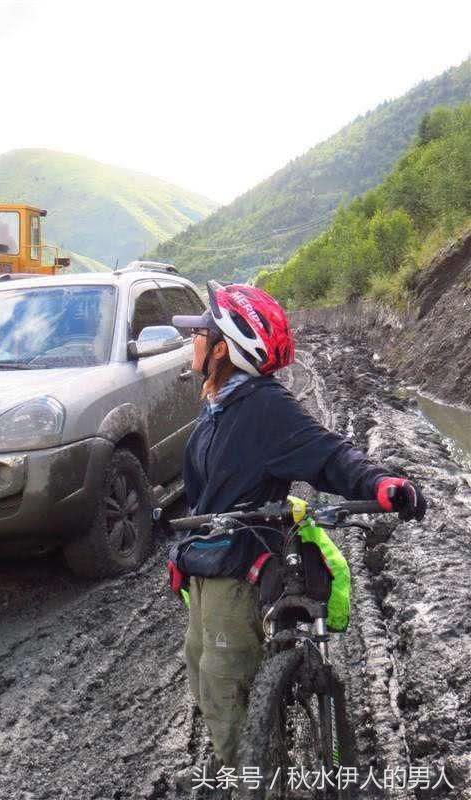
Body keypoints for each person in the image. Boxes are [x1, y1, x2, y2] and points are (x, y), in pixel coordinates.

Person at [169, 281, 427, 791]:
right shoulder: (217, 405)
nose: (192, 341)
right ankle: (251, 768)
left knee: (226, 694)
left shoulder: (266, 408)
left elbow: (330, 454)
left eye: (201, 333)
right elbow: (202, 493)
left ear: (224, 349)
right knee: (200, 669)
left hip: (237, 570)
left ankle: (256, 784)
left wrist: (382, 483)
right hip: (206, 561)